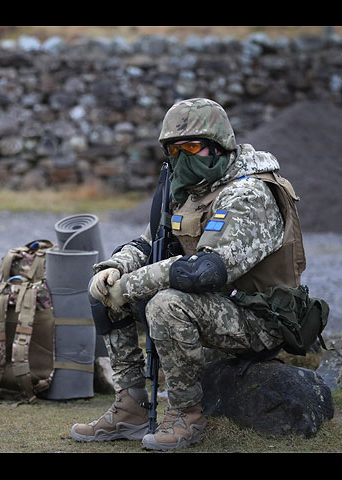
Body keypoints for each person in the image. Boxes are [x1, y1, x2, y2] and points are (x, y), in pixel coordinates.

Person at [71, 97, 307, 451]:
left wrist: (131, 285)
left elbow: (206, 270)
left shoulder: (250, 193)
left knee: (167, 304)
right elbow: (150, 244)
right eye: (175, 149)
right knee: (103, 293)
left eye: (193, 146)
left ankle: (187, 415)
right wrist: (115, 269)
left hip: (262, 317)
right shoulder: (190, 190)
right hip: (219, 306)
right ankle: (131, 406)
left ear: (218, 146)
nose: (183, 158)